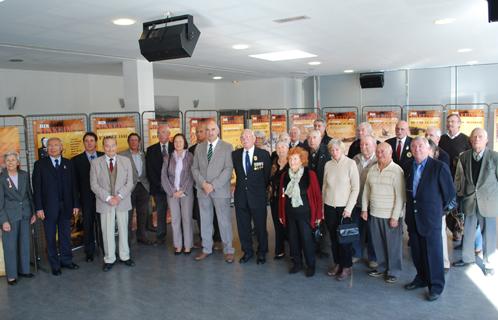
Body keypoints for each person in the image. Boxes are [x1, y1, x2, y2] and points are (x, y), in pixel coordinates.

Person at [403, 137, 455, 301]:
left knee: (433, 254)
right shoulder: (409, 166)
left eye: (420, 146)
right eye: (414, 146)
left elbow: (450, 196)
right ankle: (421, 278)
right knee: (417, 253)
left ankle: (436, 286)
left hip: (431, 219)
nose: (417, 149)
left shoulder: (439, 167)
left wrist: (438, 212)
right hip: (413, 217)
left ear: (428, 149)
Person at [453, 128, 498, 276]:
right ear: (470, 140)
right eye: (474, 137)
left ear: (486, 140)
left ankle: (489, 263)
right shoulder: (464, 156)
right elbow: (460, 177)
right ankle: (467, 258)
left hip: (489, 202)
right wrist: (459, 195)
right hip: (470, 200)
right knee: (469, 231)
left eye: (480, 137)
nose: (477, 139)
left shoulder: (494, 157)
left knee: (489, 234)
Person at [32, 137, 80, 276]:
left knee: (65, 235)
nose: (53, 148)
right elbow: (37, 188)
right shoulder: (40, 165)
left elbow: (74, 186)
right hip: (48, 209)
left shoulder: (68, 164)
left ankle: (66, 260)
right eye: (50, 146)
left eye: (56, 145)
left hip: (66, 206)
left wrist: (76, 204)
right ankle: (55, 264)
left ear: (61, 147)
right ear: (47, 149)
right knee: (50, 237)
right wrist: (39, 208)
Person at [191, 119, 235, 263]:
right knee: (205, 221)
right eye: (207, 130)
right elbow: (194, 168)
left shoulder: (227, 147)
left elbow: (228, 169)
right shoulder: (199, 148)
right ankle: (206, 248)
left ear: (218, 131)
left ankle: (228, 250)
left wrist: (213, 185)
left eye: (213, 130)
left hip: (220, 191)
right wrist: (203, 183)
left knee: (224, 221)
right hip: (203, 190)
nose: (210, 132)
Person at [361, 143, 405, 283]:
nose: (380, 154)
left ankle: (394, 271)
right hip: (375, 213)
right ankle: (381, 268)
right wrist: (364, 208)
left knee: (393, 246)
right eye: (378, 151)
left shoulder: (397, 170)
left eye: (383, 151)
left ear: (390, 153)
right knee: (378, 244)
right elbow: (366, 191)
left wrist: (395, 216)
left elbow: (401, 196)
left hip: (390, 216)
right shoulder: (372, 169)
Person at [90, 136, 135, 272]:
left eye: (113, 145)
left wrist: (119, 196)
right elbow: (94, 185)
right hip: (105, 202)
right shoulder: (95, 163)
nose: (110, 149)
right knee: (107, 231)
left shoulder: (126, 161)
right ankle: (109, 258)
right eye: (107, 146)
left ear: (117, 146)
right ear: (103, 147)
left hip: (122, 200)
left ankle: (125, 256)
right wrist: (109, 198)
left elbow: (130, 182)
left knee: (123, 229)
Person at [278, 147, 323, 277]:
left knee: (306, 240)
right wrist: (281, 214)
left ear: (302, 160)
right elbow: (282, 197)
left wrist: (319, 215)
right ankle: (297, 264)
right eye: (290, 159)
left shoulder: (310, 174)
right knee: (293, 240)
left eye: (295, 159)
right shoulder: (285, 176)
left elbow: (317, 196)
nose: (292, 162)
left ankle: (311, 265)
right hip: (290, 214)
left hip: (306, 215)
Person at [322, 139, 360, 281]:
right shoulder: (328, 164)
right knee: (333, 238)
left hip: (345, 209)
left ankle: (346, 266)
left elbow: (355, 188)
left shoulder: (351, 164)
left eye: (337, 149)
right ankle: (337, 263)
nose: (334, 152)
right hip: (329, 206)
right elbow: (324, 187)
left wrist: (349, 208)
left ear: (342, 150)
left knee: (344, 239)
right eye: (332, 150)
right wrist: (322, 207)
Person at [232, 129, 271, 264]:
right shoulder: (235, 155)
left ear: (254, 139)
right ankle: (247, 251)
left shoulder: (264, 155)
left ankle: (262, 252)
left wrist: (259, 190)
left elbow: (266, 177)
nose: (245, 139)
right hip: (241, 197)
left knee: (260, 227)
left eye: (248, 136)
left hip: (258, 197)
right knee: (243, 227)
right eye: (242, 137)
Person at [0, 152, 37, 285]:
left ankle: (24, 270)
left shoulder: (24, 175)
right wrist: (3, 220)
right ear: (4, 163)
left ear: (17, 162)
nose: (10, 162)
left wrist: (32, 212)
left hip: (25, 214)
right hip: (10, 217)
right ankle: (11, 275)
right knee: (10, 246)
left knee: (24, 243)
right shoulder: (1, 178)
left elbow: (29, 194)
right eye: (8, 160)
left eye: (13, 160)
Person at [438, 114, 471, 242]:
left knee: (457, 207)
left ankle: (458, 230)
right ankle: (448, 228)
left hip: (459, 181)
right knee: (445, 206)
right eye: (448, 121)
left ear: (459, 124)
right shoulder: (441, 140)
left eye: (453, 121)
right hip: (443, 179)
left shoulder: (466, 140)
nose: (450, 124)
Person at [72, 132, 104, 262]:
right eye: (87, 141)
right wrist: (77, 202)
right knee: (88, 226)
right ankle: (89, 252)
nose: (89, 143)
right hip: (86, 200)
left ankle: (105, 249)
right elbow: (74, 184)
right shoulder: (76, 160)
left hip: (103, 198)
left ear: (96, 142)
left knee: (103, 225)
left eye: (92, 140)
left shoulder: (103, 156)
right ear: (83, 143)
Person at [188, 122, 221, 249]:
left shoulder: (217, 147)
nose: (198, 134)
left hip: (215, 187)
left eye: (201, 131)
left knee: (216, 214)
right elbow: (192, 169)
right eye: (197, 132)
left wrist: (213, 184)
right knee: (202, 214)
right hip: (200, 188)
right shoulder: (192, 150)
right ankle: (204, 239)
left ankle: (217, 239)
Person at [161, 133, 194, 255]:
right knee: (175, 220)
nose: (178, 143)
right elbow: (164, 176)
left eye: (180, 141)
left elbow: (191, 175)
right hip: (172, 193)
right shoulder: (168, 157)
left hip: (186, 192)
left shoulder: (190, 156)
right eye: (175, 142)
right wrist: (172, 191)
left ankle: (188, 245)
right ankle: (178, 245)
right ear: (173, 144)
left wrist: (182, 190)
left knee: (186, 219)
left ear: (184, 143)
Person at [120, 133, 152, 245]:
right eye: (131, 140)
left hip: (143, 186)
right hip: (129, 188)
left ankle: (142, 236)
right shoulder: (122, 155)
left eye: (136, 140)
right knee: (128, 214)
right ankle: (127, 239)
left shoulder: (144, 154)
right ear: (128, 142)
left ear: (139, 142)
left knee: (143, 213)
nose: (134, 142)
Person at [352, 135, 378, 268]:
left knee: (372, 232)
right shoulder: (355, 159)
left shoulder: (378, 160)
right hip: (356, 202)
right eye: (362, 144)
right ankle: (356, 253)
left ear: (374, 145)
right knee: (356, 230)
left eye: (367, 144)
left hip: (372, 204)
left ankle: (373, 257)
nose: (363, 147)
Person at [146, 124, 173, 245]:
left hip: (175, 189)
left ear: (168, 134)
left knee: (178, 213)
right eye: (158, 133)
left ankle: (180, 237)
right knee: (161, 212)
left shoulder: (176, 147)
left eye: (162, 132)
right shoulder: (151, 150)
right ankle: (160, 237)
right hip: (159, 188)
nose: (160, 135)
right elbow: (150, 170)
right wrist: (160, 184)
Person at [427, 139, 451, 272]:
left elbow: (449, 192)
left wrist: (443, 210)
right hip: (423, 209)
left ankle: (444, 263)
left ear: (434, 152)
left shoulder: (441, 166)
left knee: (440, 235)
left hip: (437, 209)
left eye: (426, 149)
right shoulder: (416, 165)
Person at [269, 141, 289, 259]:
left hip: (287, 199)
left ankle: (293, 250)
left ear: (287, 148)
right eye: (278, 147)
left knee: (289, 225)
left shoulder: (292, 162)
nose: (280, 150)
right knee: (277, 224)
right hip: (275, 198)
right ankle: (279, 249)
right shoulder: (273, 162)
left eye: (283, 147)